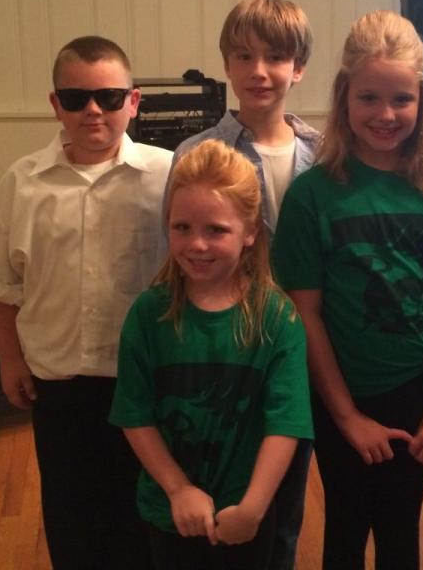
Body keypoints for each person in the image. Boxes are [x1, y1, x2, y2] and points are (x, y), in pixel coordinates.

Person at [272, 10, 423, 570]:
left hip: (420, 395)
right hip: (339, 392)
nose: (386, 114)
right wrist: (346, 415)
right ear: (345, 97)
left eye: (402, 99)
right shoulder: (312, 196)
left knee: (400, 528)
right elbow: (306, 315)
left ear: (422, 100)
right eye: (369, 98)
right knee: (345, 526)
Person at [0, 35, 171, 569]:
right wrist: (9, 359)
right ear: (55, 102)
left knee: (145, 513)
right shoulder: (22, 181)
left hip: (145, 379)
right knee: (72, 512)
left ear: (133, 101)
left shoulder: (168, 176)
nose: (92, 111)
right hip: (58, 380)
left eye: (108, 97)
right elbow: (2, 282)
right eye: (76, 97)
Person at [110, 138, 313, 570]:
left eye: (216, 230)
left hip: (247, 516)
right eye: (182, 227)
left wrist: (254, 507)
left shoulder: (277, 319)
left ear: (250, 231)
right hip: (169, 514)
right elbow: (134, 414)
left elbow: (287, 421)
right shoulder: (149, 315)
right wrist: (178, 489)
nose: (196, 244)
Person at [170, 0, 319, 569]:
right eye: (244, 56)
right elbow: (181, 252)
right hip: (224, 355)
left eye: (276, 57)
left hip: (297, 353)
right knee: (219, 491)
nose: (259, 72)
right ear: (226, 65)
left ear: (298, 66)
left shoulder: (324, 154)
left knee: (284, 506)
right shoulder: (197, 154)